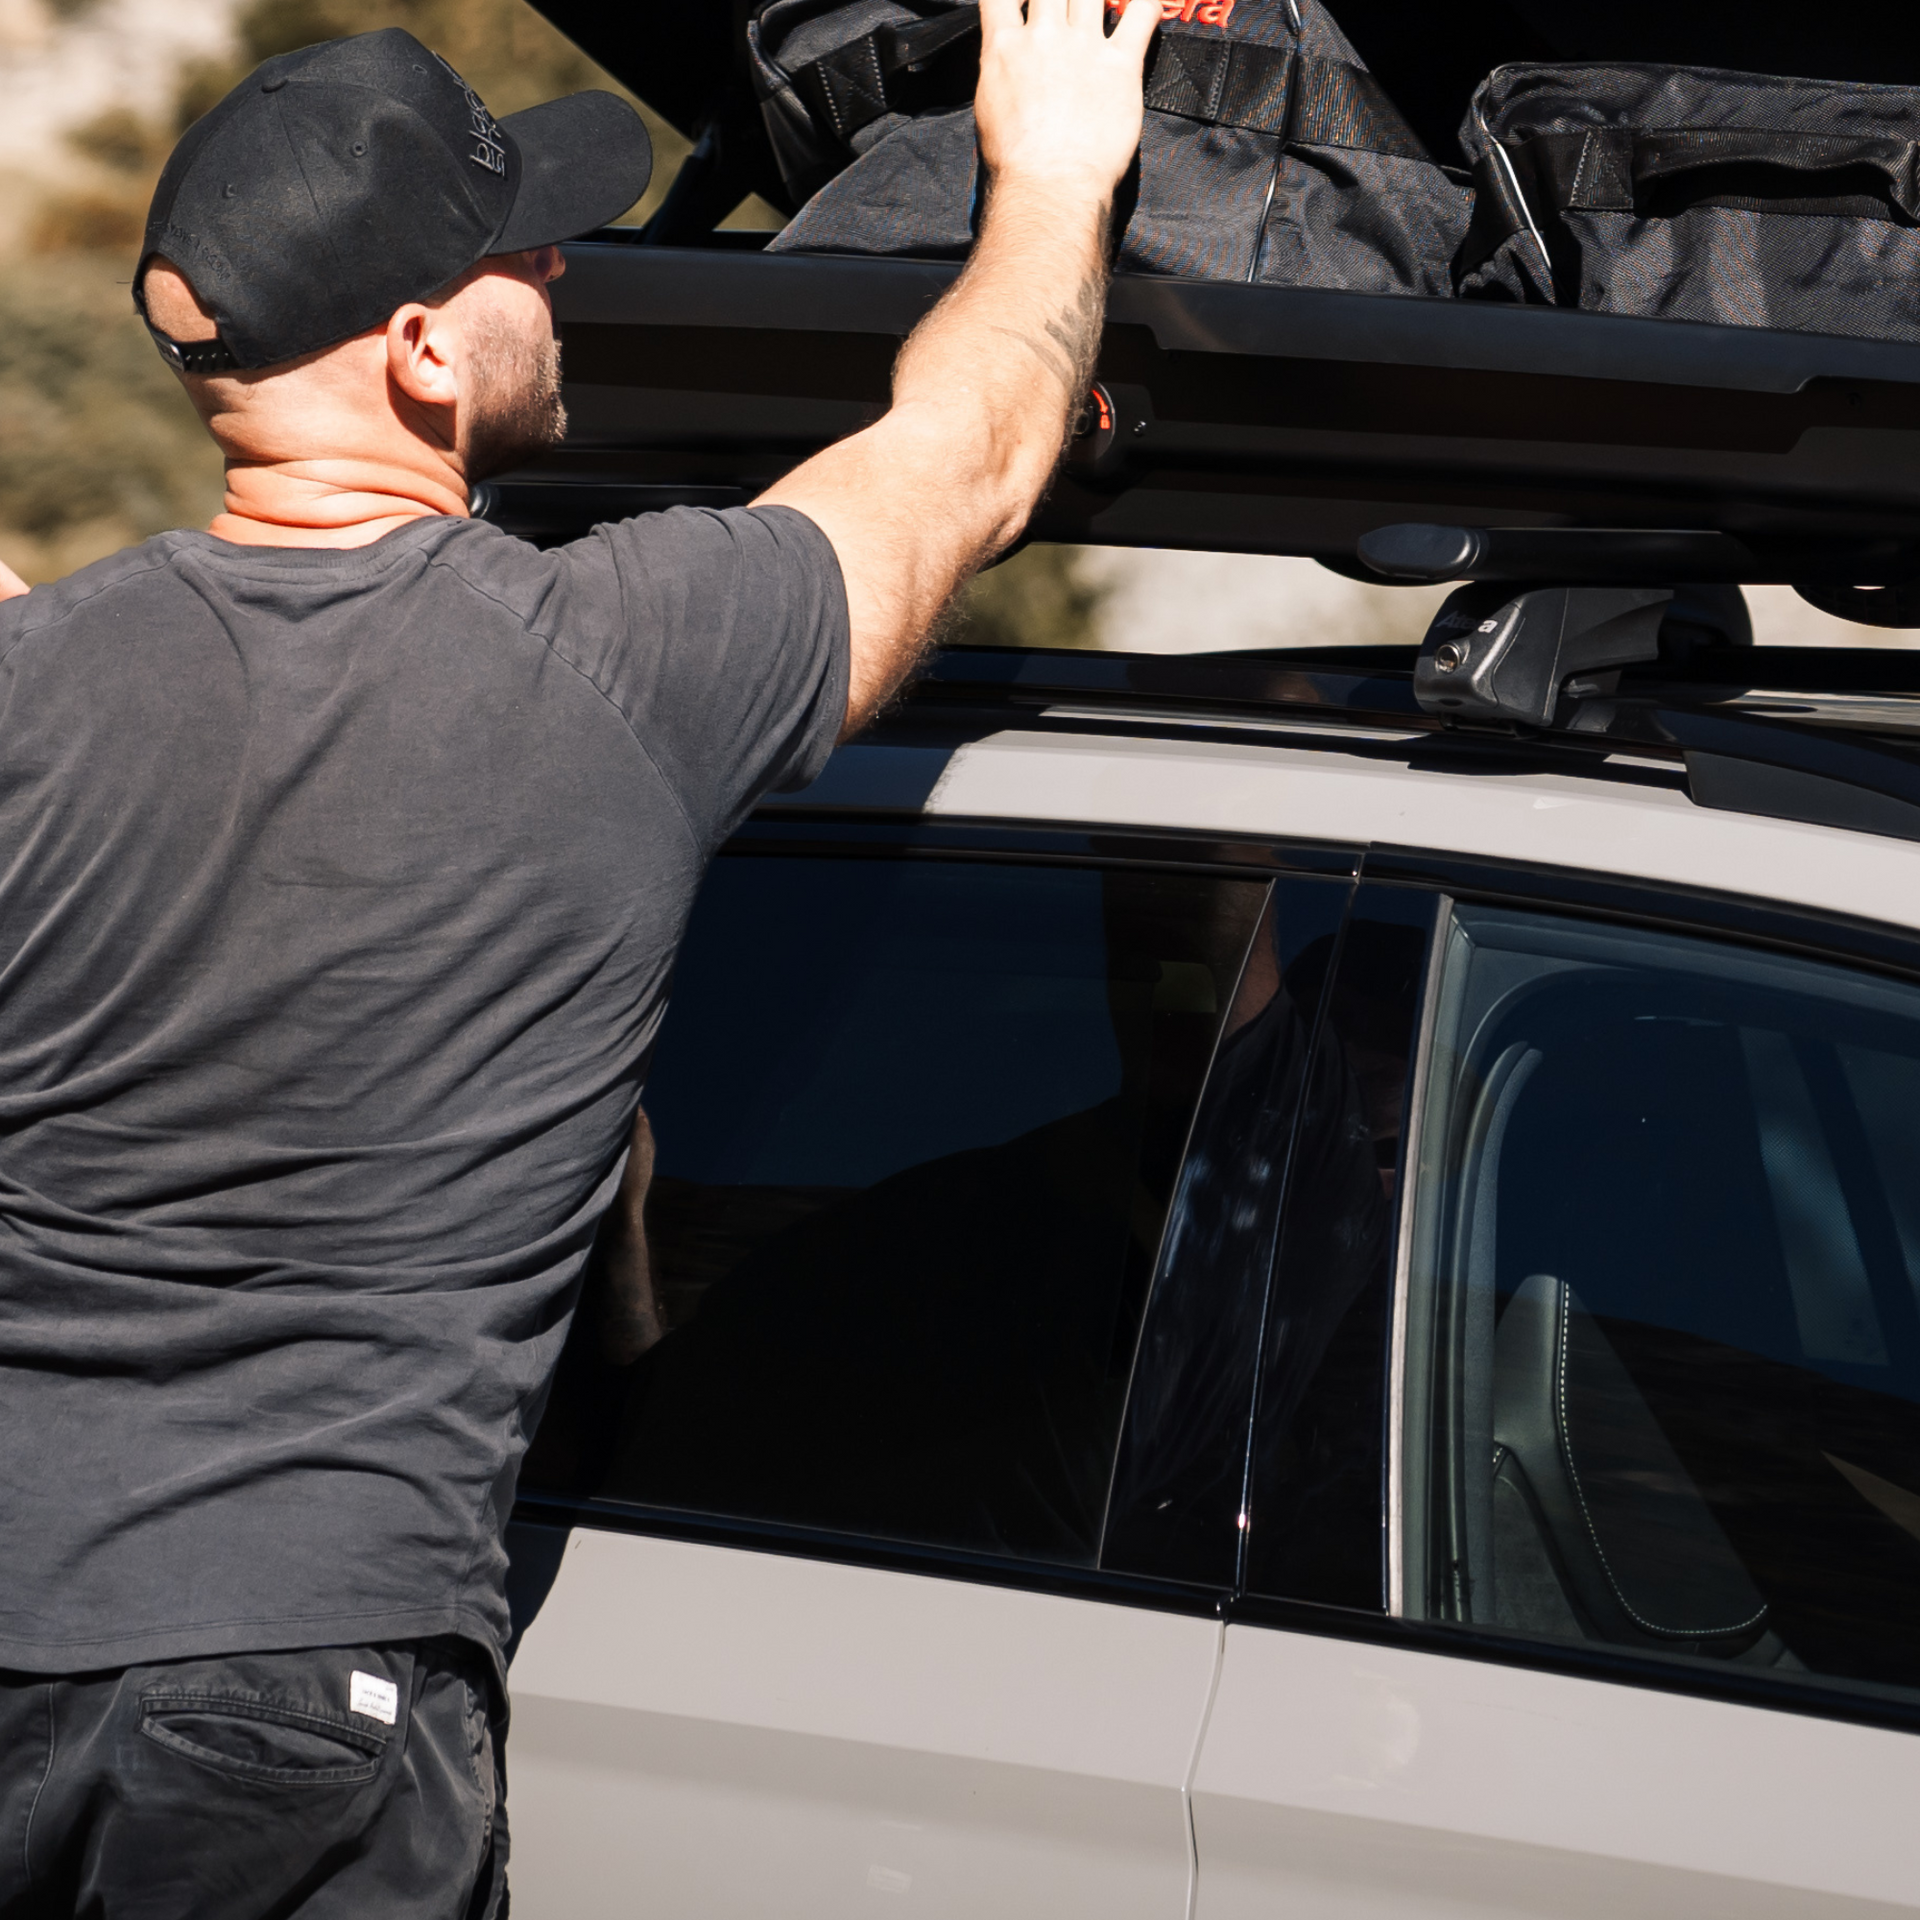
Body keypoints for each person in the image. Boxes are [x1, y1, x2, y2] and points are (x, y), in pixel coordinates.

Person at [0, 2, 1157, 1914]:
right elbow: (972, 454)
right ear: (422, 351)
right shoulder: (619, 666)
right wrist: (1050, 177)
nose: (559, 270)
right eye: (519, 249)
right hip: (284, 1695)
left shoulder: (35, 684)